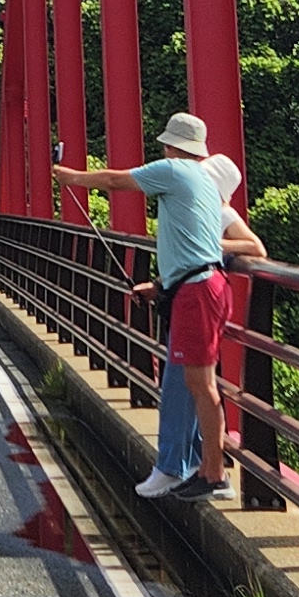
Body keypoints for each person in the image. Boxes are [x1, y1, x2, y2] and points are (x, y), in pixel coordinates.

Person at [55, 113, 263, 499]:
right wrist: (162, 285)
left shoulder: (174, 170)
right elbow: (193, 245)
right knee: (191, 382)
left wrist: (73, 178)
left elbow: (116, 181)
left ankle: (213, 474)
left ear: (171, 146)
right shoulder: (203, 180)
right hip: (198, 286)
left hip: (197, 292)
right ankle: (187, 466)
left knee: (200, 384)